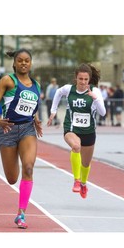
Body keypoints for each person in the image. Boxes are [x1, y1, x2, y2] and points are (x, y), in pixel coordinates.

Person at [0, 48, 42, 229]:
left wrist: (36, 119)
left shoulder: (36, 85)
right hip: (8, 130)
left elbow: (31, 107)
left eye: (27, 60)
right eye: (20, 60)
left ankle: (21, 214)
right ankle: (15, 158)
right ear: (14, 63)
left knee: (28, 167)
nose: (24, 63)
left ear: (31, 63)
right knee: (12, 178)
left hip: (27, 129)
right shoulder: (8, 81)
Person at [47, 63, 106, 199]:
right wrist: (53, 111)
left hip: (89, 131)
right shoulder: (69, 89)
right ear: (76, 78)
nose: (83, 82)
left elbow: (103, 113)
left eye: (86, 80)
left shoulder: (95, 91)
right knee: (75, 146)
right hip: (71, 128)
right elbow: (57, 93)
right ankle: (77, 180)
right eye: (80, 79)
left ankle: (84, 184)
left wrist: (95, 99)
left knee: (85, 163)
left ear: (89, 80)